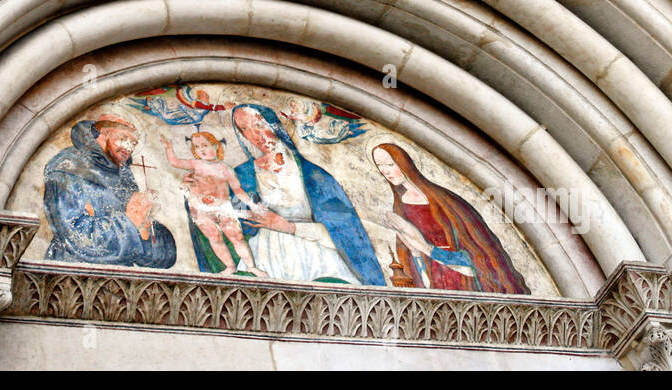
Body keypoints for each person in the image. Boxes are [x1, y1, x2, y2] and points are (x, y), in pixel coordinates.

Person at [218, 103, 386, 286]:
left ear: (274, 125)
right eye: (244, 129)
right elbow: (234, 222)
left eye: (259, 124)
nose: (254, 135)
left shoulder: (313, 175)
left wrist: (288, 227)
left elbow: (344, 231)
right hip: (265, 256)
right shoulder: (242, 175)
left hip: (315, 256)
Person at [371, 143, 528, 293]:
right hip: (432, 280)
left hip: (463, 281)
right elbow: (409, 260)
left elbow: (481, 254)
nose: (385, 171)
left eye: (390, 164)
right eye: (380, 166)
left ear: (404, 163)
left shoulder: (446, 201)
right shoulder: (400, 207)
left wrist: (427, 248)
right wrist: (415, 251)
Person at [43, 114, 176, 268]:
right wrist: (132, 220)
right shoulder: (69, 165)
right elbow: (76, 236)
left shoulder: (123, 175)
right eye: (124, 137)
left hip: (121, 277)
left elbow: (140, 242)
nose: (129, 147)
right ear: (102, 134)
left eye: (134, 143)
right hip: (74, 273)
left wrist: (145, 228)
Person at [162, 131, 266, 277]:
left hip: (222, 206)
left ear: (216, 146)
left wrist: (252, 205)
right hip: (199, 207)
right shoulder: (195, 164)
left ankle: (251, 267)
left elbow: (237, 190)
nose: (201, 150)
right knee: (214, 236)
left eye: (205, 145)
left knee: (236, 236)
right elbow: (175, 162)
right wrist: (168, 148)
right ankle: (230, 266)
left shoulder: (225, 168)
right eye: (197, 147)